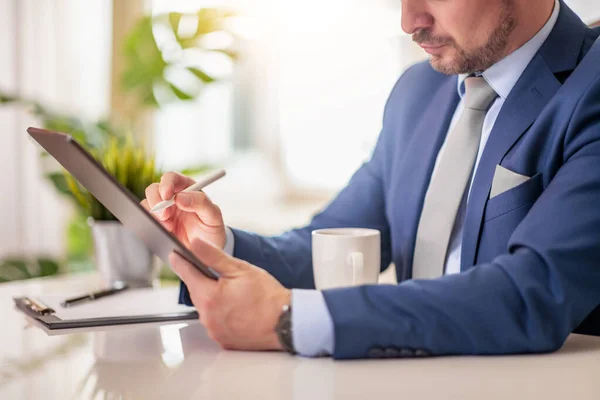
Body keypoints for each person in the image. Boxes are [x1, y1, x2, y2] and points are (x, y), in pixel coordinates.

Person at [141, 0, 600, 359]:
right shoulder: (417, 93)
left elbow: (536, 291)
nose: (408, 21)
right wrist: (217, 251)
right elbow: (334, 246)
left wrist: (289, 319)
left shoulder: (590, 83)